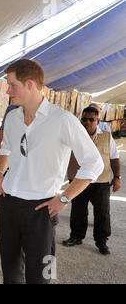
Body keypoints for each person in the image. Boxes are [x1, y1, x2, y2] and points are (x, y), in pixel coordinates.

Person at [0, 59, 104, 284]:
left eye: (12, 85)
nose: (7, 90)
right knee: (10, 271)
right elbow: (6, 148)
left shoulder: (62, 119)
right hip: (9, 205)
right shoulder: (13, 117)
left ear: (30, 85)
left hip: (42, 208)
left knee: (43, 273)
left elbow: (94, 163)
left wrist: (65, 197)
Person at [63, 106, 121, 255]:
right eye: (84, 119)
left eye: (91, 119)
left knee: (102, 213)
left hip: (101, 182)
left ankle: (102, 242)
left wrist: (117, 177)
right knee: (78, 211)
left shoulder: (107, 136)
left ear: (98, 121)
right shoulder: (74, 136)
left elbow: (114, 158)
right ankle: (76, 236)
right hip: (78, 180)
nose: (87, 122)